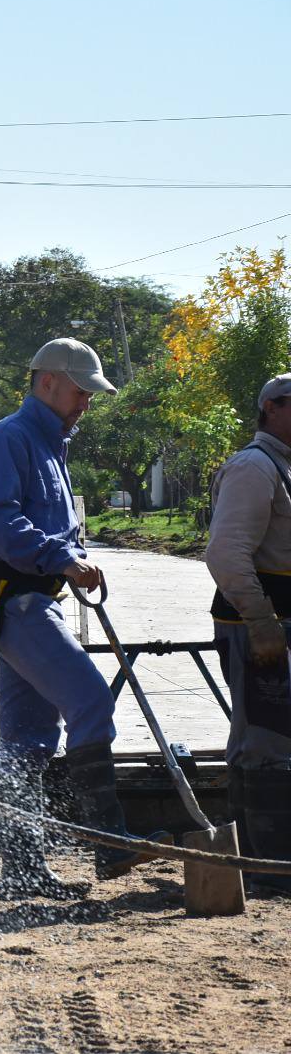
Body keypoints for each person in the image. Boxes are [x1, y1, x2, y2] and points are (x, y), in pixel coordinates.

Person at [0, 338, 170, 898]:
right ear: (48, 381)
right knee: (91, 701)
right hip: (16, 600)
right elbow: (1, 523)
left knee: (27, 738)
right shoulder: (10, 439)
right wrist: (62, 558)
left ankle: (22, 869)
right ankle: (109, 840)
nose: (87, 402)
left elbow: (40, 525)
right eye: (81, 392)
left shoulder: (46, 442)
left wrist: (68, 559)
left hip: (23, 601)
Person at [205, 372, 291, 895]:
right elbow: (225, 553)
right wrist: (261, 623)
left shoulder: (281, 467)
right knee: (263, 740)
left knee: (274, 736)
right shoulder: (255, 468)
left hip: (274, 624)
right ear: (272, 408)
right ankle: (265, 868)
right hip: (256, 626)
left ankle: (263, 862)